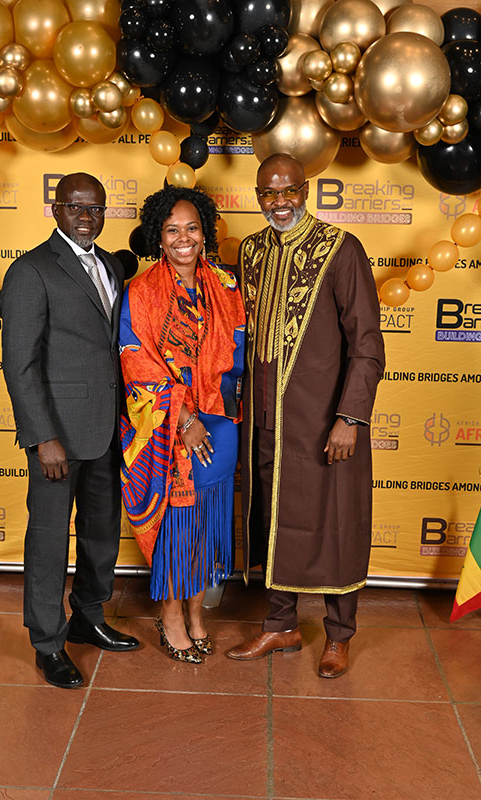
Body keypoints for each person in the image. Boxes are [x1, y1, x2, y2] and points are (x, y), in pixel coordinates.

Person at [227, 153, 385, 677]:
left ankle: (339, 635)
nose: (280, 202)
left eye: (288, 190)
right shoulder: (251, 251)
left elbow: (367, 345)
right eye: (268, 193)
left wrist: (351, 418)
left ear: (306, 190)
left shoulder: (341, 248)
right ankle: (281, 625)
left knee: (336, 521)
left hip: (323, 420)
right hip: (264, 420)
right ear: (257, 196)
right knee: (274, 519)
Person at [1, 172, 139, 689]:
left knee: (101, 532)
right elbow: (19, 364)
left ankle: (88, 616)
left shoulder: (110, 266)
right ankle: (47, 643)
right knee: (49, 539)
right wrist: (42, 437)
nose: (86, 216)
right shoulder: (30, 270)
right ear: (56, 209)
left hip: (106, 427)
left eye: (95, 207)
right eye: (75, 206)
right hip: (57, 435)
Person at [119, 186, 245, 663]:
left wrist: (211, 410)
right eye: (172, 230)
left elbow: (240, 349)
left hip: (222, 421)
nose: (183, 238)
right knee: (179, 523)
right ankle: (171, 616)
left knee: (207, 519)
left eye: (192, 228)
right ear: (158, 236)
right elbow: (137, 361)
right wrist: (185, 417)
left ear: (205, 232)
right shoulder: (141, 291)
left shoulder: (227, 287)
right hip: (173, 424)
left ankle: (196, 614)